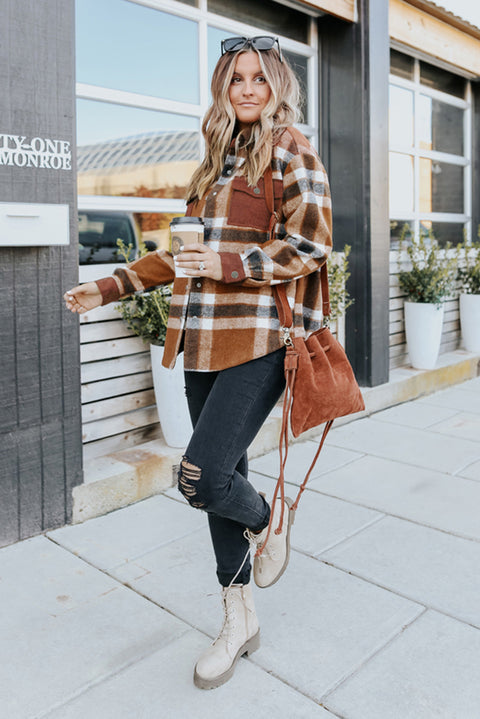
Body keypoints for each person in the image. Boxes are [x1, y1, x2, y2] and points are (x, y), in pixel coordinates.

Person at [65, 35, 332, 690]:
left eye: (258, 77)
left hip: (260, 341)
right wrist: (107, 286)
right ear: (222, 87)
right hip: (200, 347)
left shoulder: (291, 149)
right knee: (219, 484)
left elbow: (312, 243)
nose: (246, 88)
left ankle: (272, 519)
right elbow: (178, 256)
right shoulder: (213, 163)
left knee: (200, 476)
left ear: (276, 86)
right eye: (234, 77)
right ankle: (237, 618)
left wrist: (232, 262)